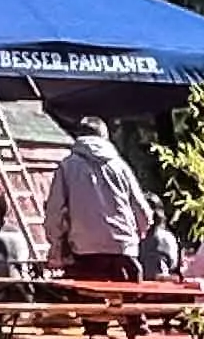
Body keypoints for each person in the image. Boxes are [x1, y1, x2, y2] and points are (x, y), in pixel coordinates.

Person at [52, 117, 152, 281]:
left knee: (88, 304)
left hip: (85, 252)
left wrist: (57, 242)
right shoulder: (120, 166)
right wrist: (139, 234)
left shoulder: (67, 166)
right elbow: (142, 210)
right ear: (105, 137)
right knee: (127, 303)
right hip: (123, 251)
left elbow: (55, 210)